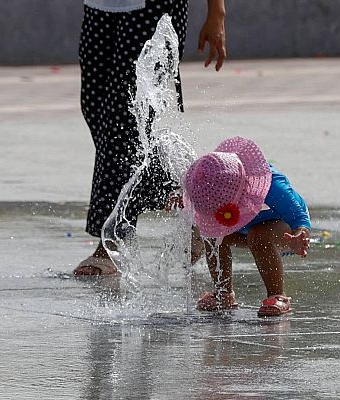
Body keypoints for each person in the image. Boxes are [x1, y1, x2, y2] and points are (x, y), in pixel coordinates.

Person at [74, 0, 227, 276]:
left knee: (124, 121)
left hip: (153, 6)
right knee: (95, 108)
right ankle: (194, 202)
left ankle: (111, 244)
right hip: (100, 6)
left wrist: (216, 12)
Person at [183, 136, 311, 316]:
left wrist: (300, 234)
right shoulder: (212, 187)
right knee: (212, 235)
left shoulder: (272, 184)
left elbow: (299, 217)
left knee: (259, 236)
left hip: (284, 230)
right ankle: (223, 293)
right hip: (245, 229)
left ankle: (278, 295)